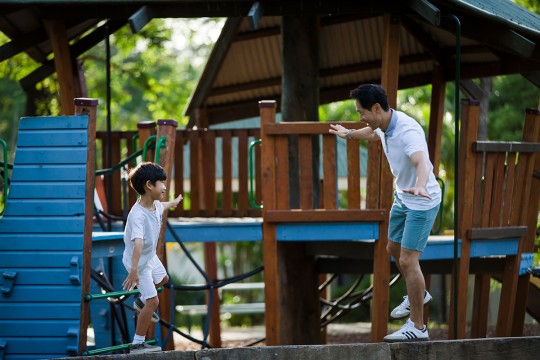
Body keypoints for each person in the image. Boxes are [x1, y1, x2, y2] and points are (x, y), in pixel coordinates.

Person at [329, 84, 441, 342]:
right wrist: (349, 134)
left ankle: (418, 326)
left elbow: (421, 160)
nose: (360, 117)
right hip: (403, 197)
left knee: (407, 260)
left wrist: (421, 185)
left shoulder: (407, 131)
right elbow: (372, 132)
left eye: (361, 112)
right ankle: (419, 293)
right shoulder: (385, 124)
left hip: (421, 201)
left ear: (376, 108)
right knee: (392, 248)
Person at [122, 162, 183, 353]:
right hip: (137, 262)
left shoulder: (155, 205)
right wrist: (134, 272)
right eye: (161, 183)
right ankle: (137, 343)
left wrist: (173, 203)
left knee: (164, 279)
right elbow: (138, 243)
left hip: (149, 257)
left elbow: (162, 206)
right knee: (153, 302)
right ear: (149, 185)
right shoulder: (137, 215)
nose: (165, 187)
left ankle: (141, 301)